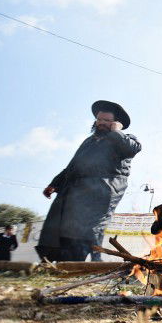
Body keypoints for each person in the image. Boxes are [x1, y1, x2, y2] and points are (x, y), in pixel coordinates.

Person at [36, 100, 142, 262]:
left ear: (116, 123)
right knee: (63, 227)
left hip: (102, 192)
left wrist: (116, 132)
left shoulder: (124, 138)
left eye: (106, 120)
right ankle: (64, 263)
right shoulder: (89, 142)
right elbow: (72, 166)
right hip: (76, 192)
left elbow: (131, 149)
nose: (101, 123)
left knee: (88, 230)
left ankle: (89, 263)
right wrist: (54, 184)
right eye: (99, 119)